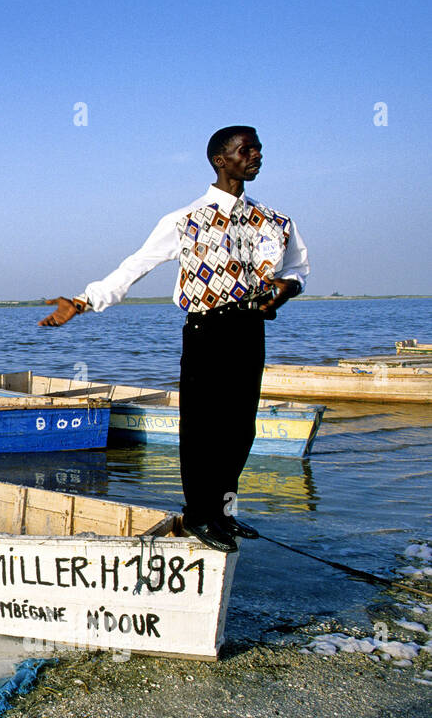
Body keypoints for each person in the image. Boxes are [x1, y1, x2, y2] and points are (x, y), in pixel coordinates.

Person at [39, 126, 309, 552]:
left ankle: (223, 511)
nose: (256, 154)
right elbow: (137, 264)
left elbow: (297, 269)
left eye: (257, 148)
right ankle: (200, 516)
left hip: (250, 330)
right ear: (221, 160)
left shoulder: (275, 220)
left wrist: (287, 288)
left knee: (240, 429)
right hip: (207, 330)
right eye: (246, 149)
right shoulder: (185, 219)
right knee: (203, 427)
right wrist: (83, 300)